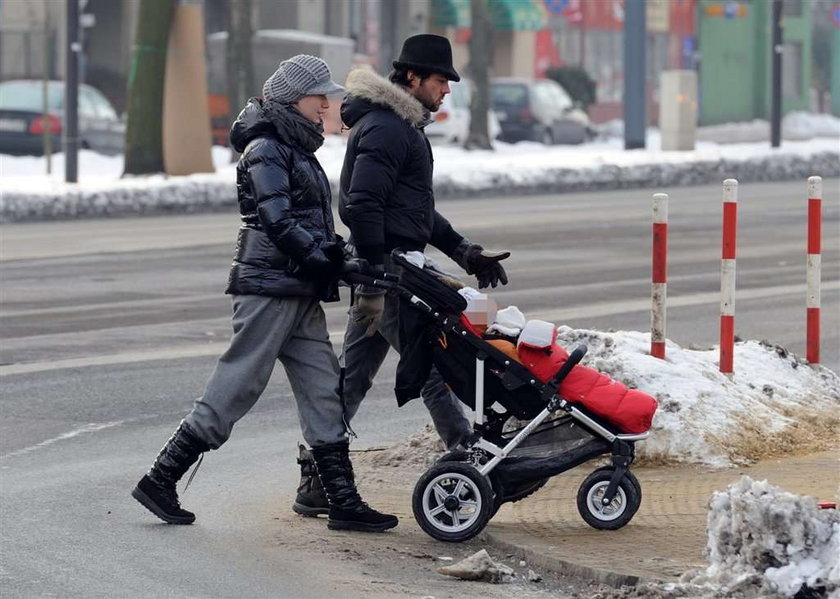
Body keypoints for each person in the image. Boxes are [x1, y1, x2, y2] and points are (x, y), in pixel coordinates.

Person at [131, 55, 398, 533]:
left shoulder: (295, 148)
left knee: (324, 390)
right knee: (238, 386)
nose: (327, 105)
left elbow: (309, 223)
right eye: (321, 97)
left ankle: (342, 500)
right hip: (270, 289)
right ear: (296, 98)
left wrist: (335, 256)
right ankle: (161, 478)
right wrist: (328, 262)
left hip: (300, 289)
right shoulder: (265, 148)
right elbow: (277, 222)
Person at [292, 35, 510, 516]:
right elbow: (361, 204)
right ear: (411, 77)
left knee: (353, 377)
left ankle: (315, 477)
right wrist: (376, 265)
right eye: (440, 80)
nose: (447, 90)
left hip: (389, 269)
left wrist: (465, 252)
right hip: (388, 272)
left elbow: (414, 211)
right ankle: (465, 457)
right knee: (426, 362)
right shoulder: (390, 130)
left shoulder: (398, 127)